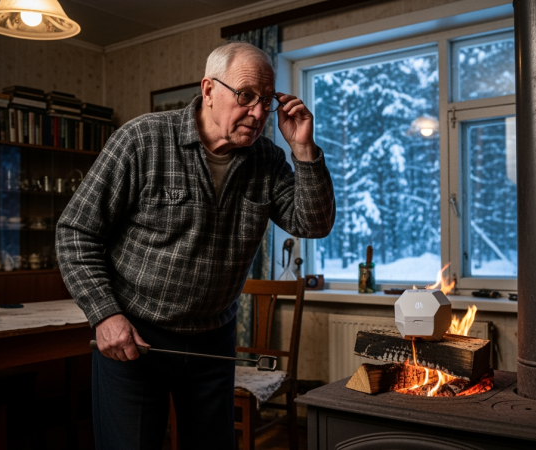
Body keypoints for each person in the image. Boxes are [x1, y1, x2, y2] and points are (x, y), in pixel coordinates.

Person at [55, 41, 335, 449]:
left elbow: (313, 223)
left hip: (212, 339)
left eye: (267, 100)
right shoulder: (141, 140)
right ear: (208, 90)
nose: (258, 113)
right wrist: (105, 316)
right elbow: (75, 231)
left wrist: (304, 152)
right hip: (134, 335)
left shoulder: (268, 159)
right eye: (245, 96)